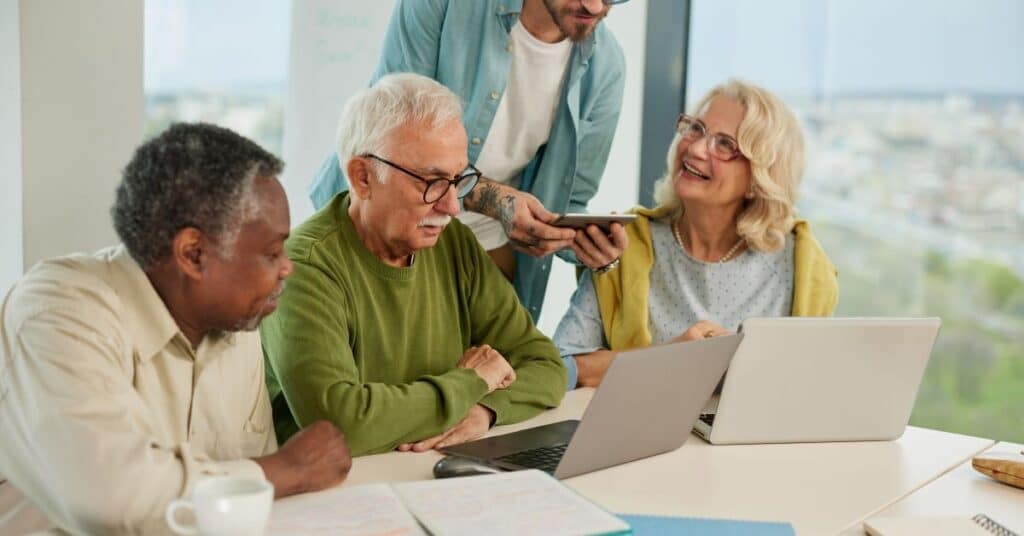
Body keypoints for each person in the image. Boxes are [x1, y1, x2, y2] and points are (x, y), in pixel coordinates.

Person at [0, 123, 352, 535]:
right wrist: (287, 469)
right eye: (272, 253)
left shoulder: (237, 322)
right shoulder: (58, 307)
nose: (287, 268)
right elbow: (110, 497)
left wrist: (272, 478)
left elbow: (249, 499)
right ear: (193, 254)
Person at [261, 73, 566, 457]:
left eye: (458, 180)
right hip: (335, 491)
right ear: (363, 177)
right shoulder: (304, 266)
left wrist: (485, 410)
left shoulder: (454, 243)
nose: (452, 206)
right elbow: (339, 426)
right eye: (433, 181)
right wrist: (471, 381)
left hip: (435, 474)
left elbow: (545, 365)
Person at [308, 0, 629, 320]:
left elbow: (571, 200)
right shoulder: (440, 6)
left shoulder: (606, 66)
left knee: (515, 364)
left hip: (486, 252)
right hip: (386, 234)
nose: (594, 5)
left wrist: (586, 245)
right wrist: (498, 202)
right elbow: (390, 150)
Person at [553, 79, 839, 390]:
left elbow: (807, 385)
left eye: (725, 144)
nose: (697, 148)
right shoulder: (628, 244)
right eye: (696, 129)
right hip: (644, 435)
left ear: (760, 177)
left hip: (753, 439)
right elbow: (560, 366)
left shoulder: (798, 265)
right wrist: (670, 359)